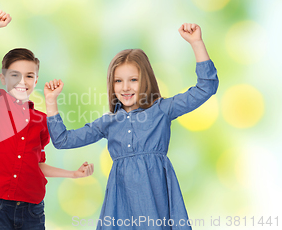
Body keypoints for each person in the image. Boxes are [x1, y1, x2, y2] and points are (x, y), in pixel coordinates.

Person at [44, 23, 219, 229]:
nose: (125, 87)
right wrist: (51, 102)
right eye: (118, 81)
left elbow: (206, 87)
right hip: (121, 205)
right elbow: (63, 140)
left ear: (146, 79)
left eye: (133, 80)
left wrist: (196, 43)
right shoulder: (108, 122)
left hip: (157, 201)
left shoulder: (162, 109)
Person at [0, 11, 95, 230]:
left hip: (33, 209)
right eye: (15, 75)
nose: (22, 81)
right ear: (3, 78)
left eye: (29, 76)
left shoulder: (41, 120)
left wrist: (73, 174)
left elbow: (37, 165)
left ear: (36, 80)